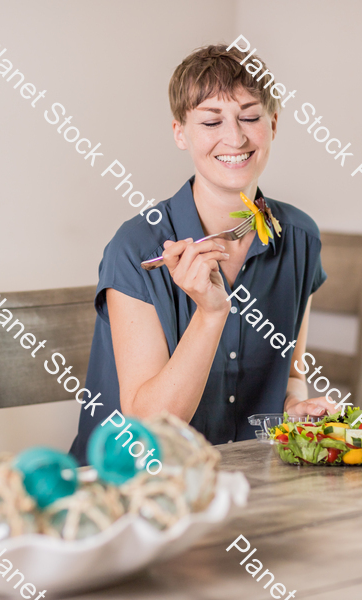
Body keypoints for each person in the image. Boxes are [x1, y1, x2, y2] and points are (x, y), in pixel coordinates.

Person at [70, 44, 335, 463]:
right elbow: (147, 426)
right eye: (212, 121)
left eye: (250, 116)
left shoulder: (300, 238)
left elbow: (292, 375)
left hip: (245, 484)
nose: (236, 137)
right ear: (180, 133)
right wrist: (211, 314)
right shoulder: (134, 249)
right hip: (129, 487)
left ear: (274, 123)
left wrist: (295, 408)